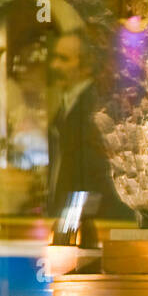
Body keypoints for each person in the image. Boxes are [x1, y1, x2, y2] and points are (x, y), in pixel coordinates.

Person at [47, 30, 132, 220]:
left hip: (91, 222)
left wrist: (75, 219)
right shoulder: (70, 105)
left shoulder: (94, 109)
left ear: (87, 66)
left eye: (64, 59)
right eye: (55, 58)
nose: (54, 65)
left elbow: (97, 177)